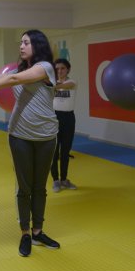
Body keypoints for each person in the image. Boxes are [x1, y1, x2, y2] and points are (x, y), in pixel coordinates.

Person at [0, 29, 60, 258]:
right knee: (24, 187)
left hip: (46, 136)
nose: (21, 46)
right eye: (21, 42)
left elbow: (14, 80)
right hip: (20, 136)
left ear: (38, 45)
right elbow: (1, 78)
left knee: (40, 187)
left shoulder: (45, 67)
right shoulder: (20, 70)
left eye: (26, 42)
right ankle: (25, 233)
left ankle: (38, 231)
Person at [51, 58, 77, 192]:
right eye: (57, 69)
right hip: (54, 118)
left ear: (68, 69)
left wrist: (50, 85)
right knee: (54, 152)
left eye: (62, 68)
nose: (60, 71)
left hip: (68, 118)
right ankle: (55, 180)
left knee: (65, 151)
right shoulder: (51, 83)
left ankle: (64, 179)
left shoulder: (72, 82)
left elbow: (63, 85)